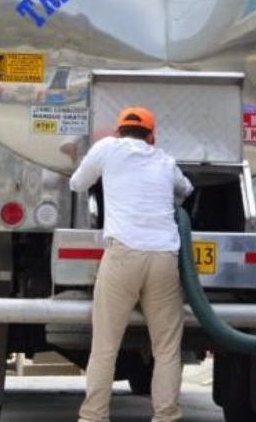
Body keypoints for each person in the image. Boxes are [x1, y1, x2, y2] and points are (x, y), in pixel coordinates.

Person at [70, 106, 194, 422]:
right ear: (152, 136)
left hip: (123, 254)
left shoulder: (107, 148)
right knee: (166, 349)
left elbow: (77, 184)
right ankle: (166, 416)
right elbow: (186, 190)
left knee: (105, 345)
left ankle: (94, 416)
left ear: (118, 131)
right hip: (164, 257)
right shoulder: (164, 159)